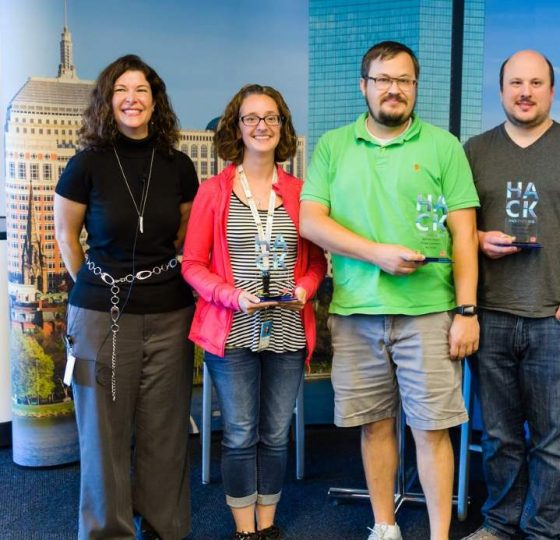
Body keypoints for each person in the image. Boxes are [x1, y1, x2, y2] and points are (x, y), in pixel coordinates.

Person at [299, 41, 479, 540]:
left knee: (432, 428)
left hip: (430, 313)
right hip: (356, 311)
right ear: (364, 86)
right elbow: (311, 222)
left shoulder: (443, 147)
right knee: (374, 424)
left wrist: (466, 310)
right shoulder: (334, 146)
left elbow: (465, 234)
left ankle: (439, 535)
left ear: (415, 87)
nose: (393, 89)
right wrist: (375, 253)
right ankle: (385, 525)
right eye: (382, 79)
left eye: (403, 80)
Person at [461, 50, 560, 540]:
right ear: (501, 90)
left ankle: (543, 530)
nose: (525, 92)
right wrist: (481, 240)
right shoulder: (474, 151)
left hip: (558, 315)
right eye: (515, 83)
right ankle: (501, 523)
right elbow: (457, 229)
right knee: (501, 436)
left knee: (552, 439)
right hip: (492, 313)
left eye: (536, 83)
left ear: (551, 90)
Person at [54, 54, 198, 539]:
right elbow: (67, 239)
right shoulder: (86, 164)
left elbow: (181, 235)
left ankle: (165, 530)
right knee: (103, 438)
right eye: (121, 90)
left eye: (142, 90)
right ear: (107, 102)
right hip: (99, 314)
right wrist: (99, 286)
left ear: (156, 103)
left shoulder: (179, 166)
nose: (132, 99)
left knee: (165, 434)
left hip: (170, 315)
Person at [182, 84, 326, 540]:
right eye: (251, 118)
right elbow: (192, 265)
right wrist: (232, 296)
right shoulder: (214, 191)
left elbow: (318, 262)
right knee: (242, 432)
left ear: (283, 128)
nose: (261, 126)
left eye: (271, 118)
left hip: (286, 330)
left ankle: (268, 524)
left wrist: (304, 288)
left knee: (275, 431)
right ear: (237, 127)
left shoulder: (302, 192)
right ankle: (245, 530)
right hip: (231, 330)